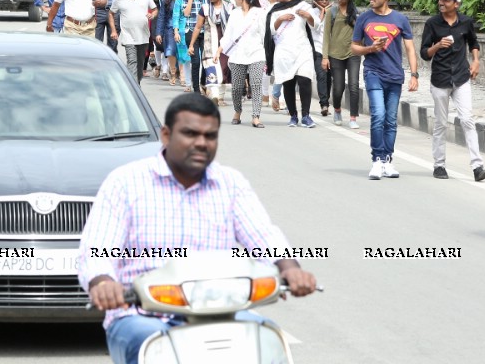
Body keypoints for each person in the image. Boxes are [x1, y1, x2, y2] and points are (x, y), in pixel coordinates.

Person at [79, 93, 318, 364]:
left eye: (210, 136)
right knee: (155, 348)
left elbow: (264, 235)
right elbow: (97, 250)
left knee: (268, 346)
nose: (201, 143)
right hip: (142, 316)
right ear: (166, 135)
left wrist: (291, 270)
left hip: (223, 312)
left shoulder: (230, 183)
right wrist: (103, 282)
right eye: (190, 134)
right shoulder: (125, 182)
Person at [420, 0, 485, 182]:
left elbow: (474, 43)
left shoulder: (466, 23)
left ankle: (478, 166)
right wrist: (437, 46)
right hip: (440, 80)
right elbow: (424, 53)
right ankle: (439, 165)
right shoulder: (432, 24)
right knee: (441, 123)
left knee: (467, 119)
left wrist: (476, 61)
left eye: (446, 0)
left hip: (461, 78)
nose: (441, 3)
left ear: (456, 4)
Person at [351, 0, 419, 180]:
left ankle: (388, 159)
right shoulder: (364, 18)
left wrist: (414, 75)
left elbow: (409, 48)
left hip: (395, 76)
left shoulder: (400, 19)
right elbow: (354, 47)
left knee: (390, 120)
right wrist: (370, 49)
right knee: (378, 115)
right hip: (373, 73)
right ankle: (377, 160)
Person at [265, 0, 317, 128]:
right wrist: (280, 19)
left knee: (305, 80)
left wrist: (308, 16)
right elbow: (270, 31)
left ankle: (306, 116)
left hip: (302, 50)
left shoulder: (304, 6)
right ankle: (293, 116)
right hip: (284, 52)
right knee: (288, 82)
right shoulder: (275, 9)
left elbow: (316, 25)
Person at [219, 0, 268, 127]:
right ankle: (237, 111)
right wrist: (220, 49)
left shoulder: (260, 13)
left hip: (256, 53)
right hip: (237, 54)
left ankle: (256, 116)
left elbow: (265, 34)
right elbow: (228, 35)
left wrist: (267, 54)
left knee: (256, 84)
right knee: (237, 87)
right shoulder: (234, 13)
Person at [323, 0, 361, 128]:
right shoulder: (331, 12)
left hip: (353, 53)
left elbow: (362, 33)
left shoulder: (356, 13)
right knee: (338, 87)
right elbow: (326, 35)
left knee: (354, 85)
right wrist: (325, 57)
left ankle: (353, 118)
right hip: (335, 54)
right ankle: (337, 109)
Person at [109, 0, 157, 83]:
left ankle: (137, 83)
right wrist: (113, 31)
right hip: (128, 37)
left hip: (143, 36)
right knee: (132, 61)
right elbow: (111, 13)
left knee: (140, 63)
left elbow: (155, 10)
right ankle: (134, 87)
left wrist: (152, 15)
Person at [191, 0, 230, 105]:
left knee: (224, 67)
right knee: (210, 65)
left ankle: (221, 97)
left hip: (226, 42)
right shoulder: (205, 8)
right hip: (209, 42)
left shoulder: (229, 7)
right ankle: (214, 94)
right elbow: (198, 27)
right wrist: (191, 44)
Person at [181, 0, 208, 91]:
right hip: (191, 30)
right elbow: (186, 13)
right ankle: (196, 89)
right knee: (195, 61)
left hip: (205, 30)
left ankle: (203, 82)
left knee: (206, 60)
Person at [155, 0, 183, 84]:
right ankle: (173, 73)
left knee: (181, 52)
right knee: (170, 51)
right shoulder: (166, 1)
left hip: (182, 29)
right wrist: (159, 33)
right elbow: (161, 17)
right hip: (168, 29)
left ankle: (182, 74)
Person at [311, 0, 331, 115]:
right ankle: (324, 105)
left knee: (329, 78)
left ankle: (326, 101)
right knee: (322, 75)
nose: (324, 2)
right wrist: (322, 12)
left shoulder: (333, 12)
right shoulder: (312, 12)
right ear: (316, 1)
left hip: (330, 49)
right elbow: (315, 27)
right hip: (317, 48)